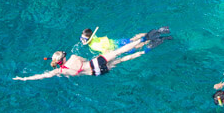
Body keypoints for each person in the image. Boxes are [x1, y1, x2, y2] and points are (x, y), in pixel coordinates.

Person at [13, 29, 170, 80]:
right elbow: (85, 59)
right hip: (94, 62)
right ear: (64, 57)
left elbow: (42, 75)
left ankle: (147, 49)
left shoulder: (60, 71)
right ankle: (144, 38)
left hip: (97, 72)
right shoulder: (74, 58)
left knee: (124, 59)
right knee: (120, 51)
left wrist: (24, 78)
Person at [81, 26, 170, 54]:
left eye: (83, 39)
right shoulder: (94, 37)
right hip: (117, 41)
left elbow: (106, 51)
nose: (82, 40)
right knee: (133, 39)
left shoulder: (94, 45)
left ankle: (153, 39)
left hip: (117, 47)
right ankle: (158, 31)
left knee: (138, 46)